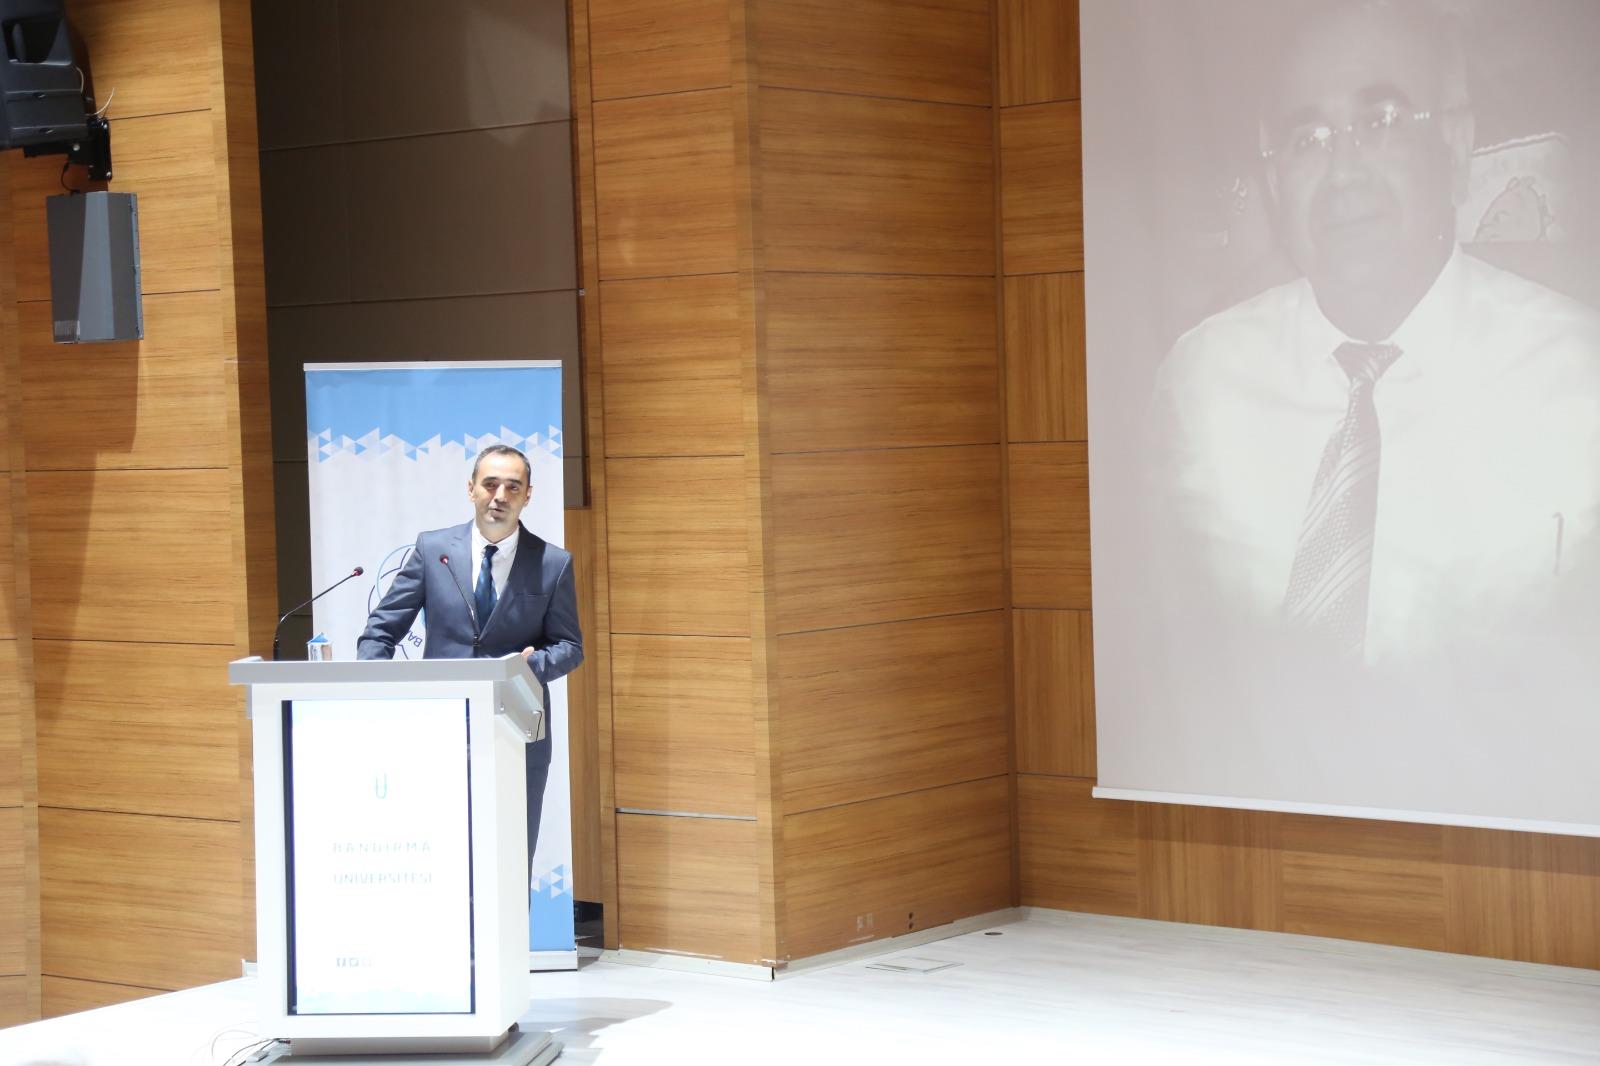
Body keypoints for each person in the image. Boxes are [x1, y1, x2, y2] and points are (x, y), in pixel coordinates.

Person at [1151, 0, 1600, 664]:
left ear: (1455, 147)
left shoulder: (1580, 383)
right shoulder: (1199, 386)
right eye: (1308, 140)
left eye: (1382, 122)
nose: (1343, 174)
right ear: (1274, 180)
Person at [358, 443, 583, 866]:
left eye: (512, 487)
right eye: (490, 484)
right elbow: (381, 629)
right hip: (436, 727)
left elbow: (570, 647)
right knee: (439, 856)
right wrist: (378, 693)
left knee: (510, 855)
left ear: (528, 495)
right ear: (471, 489)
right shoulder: (433, 551)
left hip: (517, 728)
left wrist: (528, 667)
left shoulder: (552, 563)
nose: (500, 496)